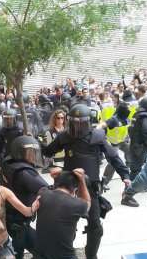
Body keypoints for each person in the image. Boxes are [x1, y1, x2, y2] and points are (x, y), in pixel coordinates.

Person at [41, 104, 130, 259]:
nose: (77, 127)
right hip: (67, 188)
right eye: (74, 123)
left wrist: (125, 175)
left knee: (95, 228)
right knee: (65, 224)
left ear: (88, 123)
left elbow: (113, 157)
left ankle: (91, 256)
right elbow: (48, 151)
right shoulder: (64, 136)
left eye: (81, 124)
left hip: (90, 188)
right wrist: (35, 143)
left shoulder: (98, 136)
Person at [0, 136, 49, 259]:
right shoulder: (24, 172)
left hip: (12, 220)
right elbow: (46, 189)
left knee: (18, 252)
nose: (33, 157)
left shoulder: (8, 165)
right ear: (19, 153)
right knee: (44, 252)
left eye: (35, 153)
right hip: (19, 224)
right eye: (29, 153)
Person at [35, 169, 90, 259]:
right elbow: (87, 203)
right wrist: (82, 181)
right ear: (74, 190)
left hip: (41, 255)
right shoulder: (76, 204)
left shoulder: (42, 193)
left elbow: (54, 192)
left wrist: (56, 179)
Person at [97, 102, 132, 190]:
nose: (130, 110)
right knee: (113, 161)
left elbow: (126, 129)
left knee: (132, 150)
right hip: (113, 144)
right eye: (128, 108)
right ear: (123, 110)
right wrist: (96, 133)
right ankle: (104, 182)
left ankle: (130, 172)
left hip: (123, 142)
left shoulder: (127, 119)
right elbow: (101, 125)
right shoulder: (114, 119)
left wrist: (129, 138)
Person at [127, 96, 147, 184]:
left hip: (134, 144)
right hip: (140, 146)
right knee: (136, 167)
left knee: (137, 165)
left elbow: (130, 129)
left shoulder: (136, 114)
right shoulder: (146, 117)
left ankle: (136, 183)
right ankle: (131, 186)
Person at [42, 109, 66, 174]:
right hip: (56, 161)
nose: (60, 120)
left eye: (62, 118)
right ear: (54, 119)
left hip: (67, 160)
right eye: (58, 118)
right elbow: (49, 149)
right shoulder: (49, 132)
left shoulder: (67, 131)